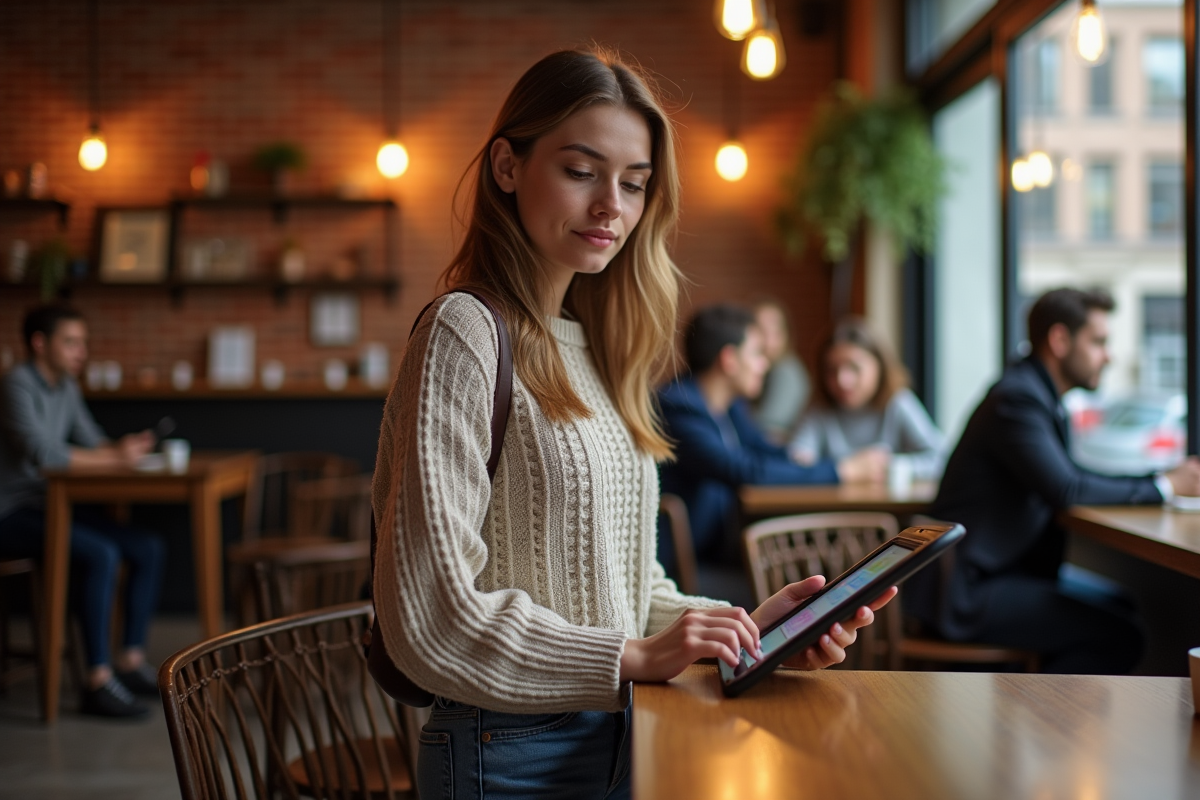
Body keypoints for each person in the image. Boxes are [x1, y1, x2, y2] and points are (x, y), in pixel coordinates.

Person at [371, 49, 895, 800]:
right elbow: (430, 616)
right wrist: (631, 656)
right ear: (507, 167)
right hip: (510, 755)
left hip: (622, 726)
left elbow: (626, 588)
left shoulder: (600, 347)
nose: (611, 206)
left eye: (635, 184)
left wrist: (740, 631)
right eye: (581, 171)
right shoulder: (466, 332)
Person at [905, 288, 1200, 674]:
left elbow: (1071, 477)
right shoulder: (1018, 399)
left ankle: (1038, 719)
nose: (1108, 355)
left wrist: (1161, 480)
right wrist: (1165, 487)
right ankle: (1040, 723)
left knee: (1122, 605)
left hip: (995, 574)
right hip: (966, 591)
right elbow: (1067, 489)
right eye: (1098, 342)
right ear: (1060, 340)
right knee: (1123, 635)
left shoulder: (1034, 394)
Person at [0, 305, 164, 718]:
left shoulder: (67, 386)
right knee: (102, 553)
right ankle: (96, 680)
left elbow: (91, 441)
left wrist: (124, 447)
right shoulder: (16, 383)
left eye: (83, 342)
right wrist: (116, 462)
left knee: (147, 546)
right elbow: (44, 455)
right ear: (40, 343)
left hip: (50, 505)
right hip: (10, 512)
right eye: (71, 342)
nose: (81, 351)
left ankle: (127, 663)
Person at [658, 305, 887, 570]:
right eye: (757, 353)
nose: (764, 365)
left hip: (722, 545)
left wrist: (799, 459)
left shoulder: (728, 407)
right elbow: (746, 470)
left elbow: (763, 449)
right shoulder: (679, 409)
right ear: (729, 359)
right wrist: (841, 471)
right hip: (690, 564)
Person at [789, 317, 945, 482]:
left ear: (880, 367)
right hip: (835, 506)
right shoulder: (820, 410)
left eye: (855, 368)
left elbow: (941, 459)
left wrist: (893, 466)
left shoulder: (898, 402)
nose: (843, 381)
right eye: (832, 370)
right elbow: (796, 461)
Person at [750, 299, 810, 443]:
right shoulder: (763, 369)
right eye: (758, 330)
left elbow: (770, 429)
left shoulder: (786, 372)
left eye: (773, 332)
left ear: (785, 336)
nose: (766, 339)